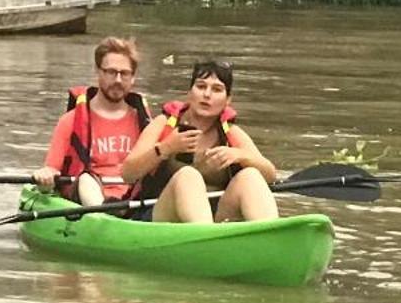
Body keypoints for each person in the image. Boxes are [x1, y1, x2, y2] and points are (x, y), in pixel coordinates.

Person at [119, 58, 281, 224]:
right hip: (161, 215)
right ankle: (206, 239)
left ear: (228, 100)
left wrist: (241, 156)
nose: (207, 95)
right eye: (201, 86)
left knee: (250, 176)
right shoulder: (164, 124)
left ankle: (272, 234)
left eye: (217, 89)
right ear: (189, 94)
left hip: (214, 218)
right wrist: (165, 148)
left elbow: (270, 175)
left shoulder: (230, 133)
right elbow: (127, 173)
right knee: (188, 176)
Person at [33, 37, 151, 206]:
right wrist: (45, 178)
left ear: (133, 77)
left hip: (133, 200)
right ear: (98, 71)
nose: (118, 80)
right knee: (86, 179)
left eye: (124, 73)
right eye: (111, 72)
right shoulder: (70, 121)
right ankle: (105, 215)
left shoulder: (145, 122)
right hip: (89, 201)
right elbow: (52, 170)